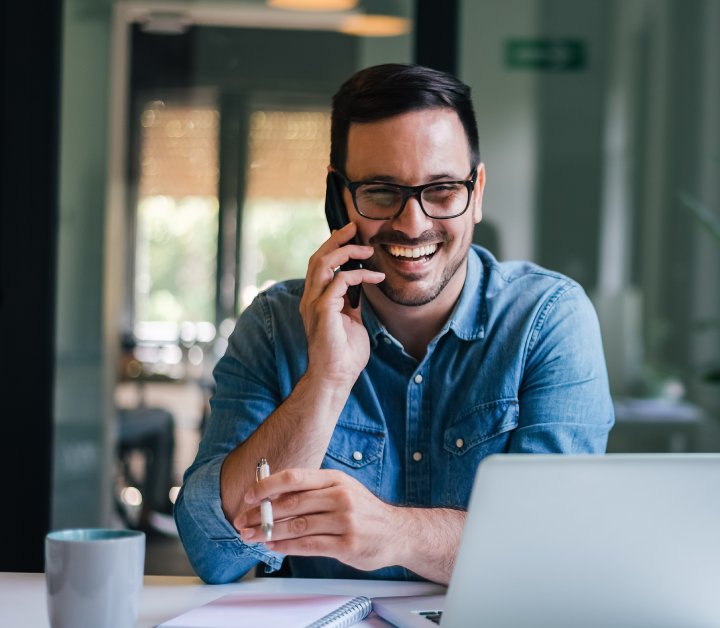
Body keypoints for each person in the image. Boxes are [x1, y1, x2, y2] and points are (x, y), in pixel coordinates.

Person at [175, 64, 615, 584]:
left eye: (443, 190)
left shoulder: (548, 320)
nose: (413, 223)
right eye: (382, 192)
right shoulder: (275, 325)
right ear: (340, 198)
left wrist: (392, 532)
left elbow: (554, 552)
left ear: (477, 192)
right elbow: (213, 553)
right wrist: (326, 382)